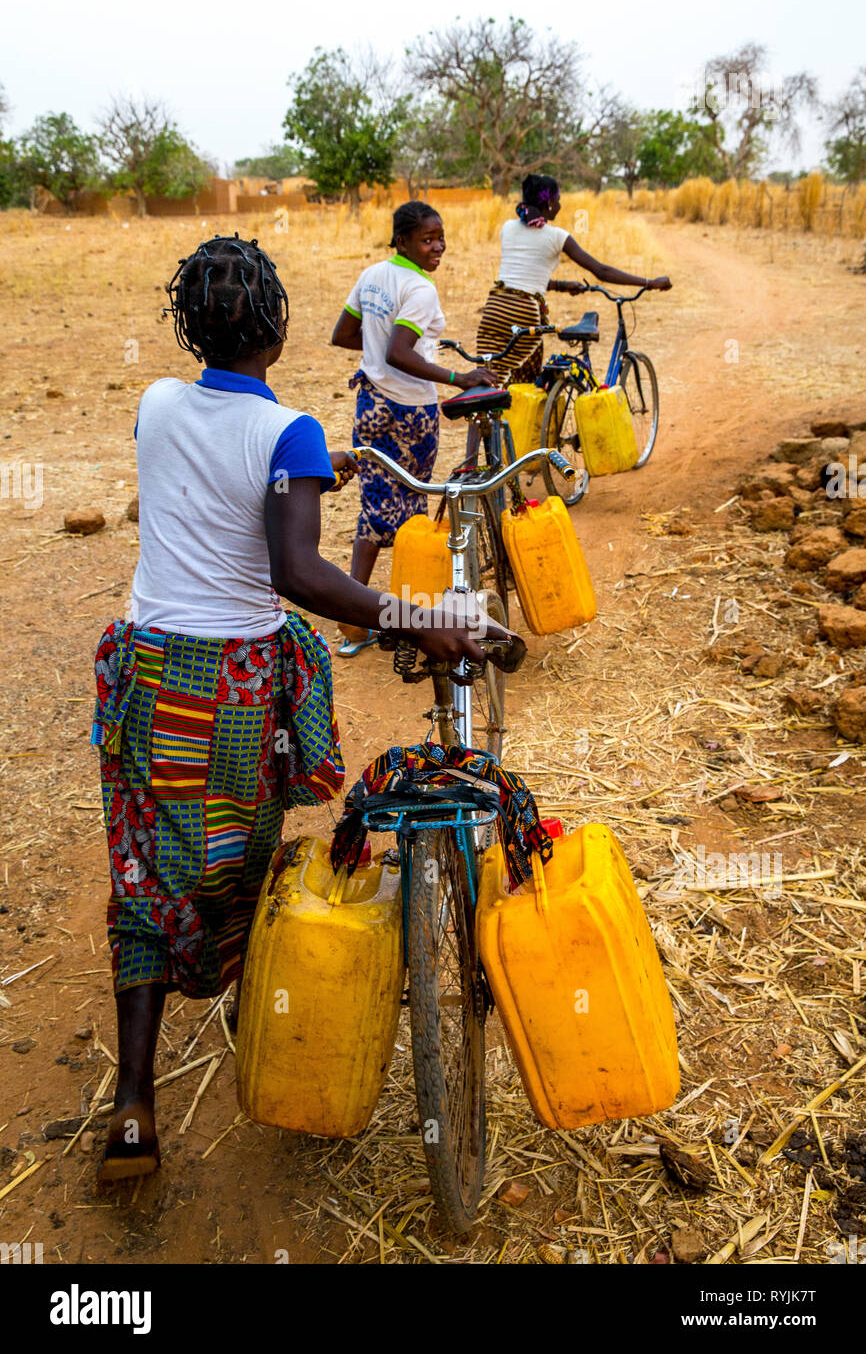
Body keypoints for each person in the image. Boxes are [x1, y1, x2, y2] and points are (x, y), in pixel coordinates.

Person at [93, 233, 490, 1181]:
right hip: (231, 690)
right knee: (244, 858)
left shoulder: (155, 404)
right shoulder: (289, 434)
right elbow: (296, 570)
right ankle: (256, 1014)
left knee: (144, 873)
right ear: (275, 325)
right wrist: (411, 617)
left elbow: (209, 479)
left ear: (187, 322)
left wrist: (319, 469)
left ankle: (135, 1108)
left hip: (149, 674)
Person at [331, 201, 495, 656]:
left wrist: (378, 342)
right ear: (401, 240)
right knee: (410, 513)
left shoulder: (372, 276)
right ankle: (404, 621)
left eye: (441, 237)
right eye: (427, 239)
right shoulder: (420, 289)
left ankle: (355, 618)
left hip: (370, 405)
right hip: (409, 412)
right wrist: (459, 378)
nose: (438, 246)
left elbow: (344, 334)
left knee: (374, 504)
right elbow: (399, 354)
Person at [477, 174, 673, 383]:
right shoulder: (557, 236)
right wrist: (649, 283)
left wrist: (561, 286)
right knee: (524, 384)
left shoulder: (507, 227)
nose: (560, 204)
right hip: (524, 313)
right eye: (558, 199)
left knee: (487, 381)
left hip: (494, 310)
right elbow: (601, 271)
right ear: (549, 203)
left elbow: (523, 276)